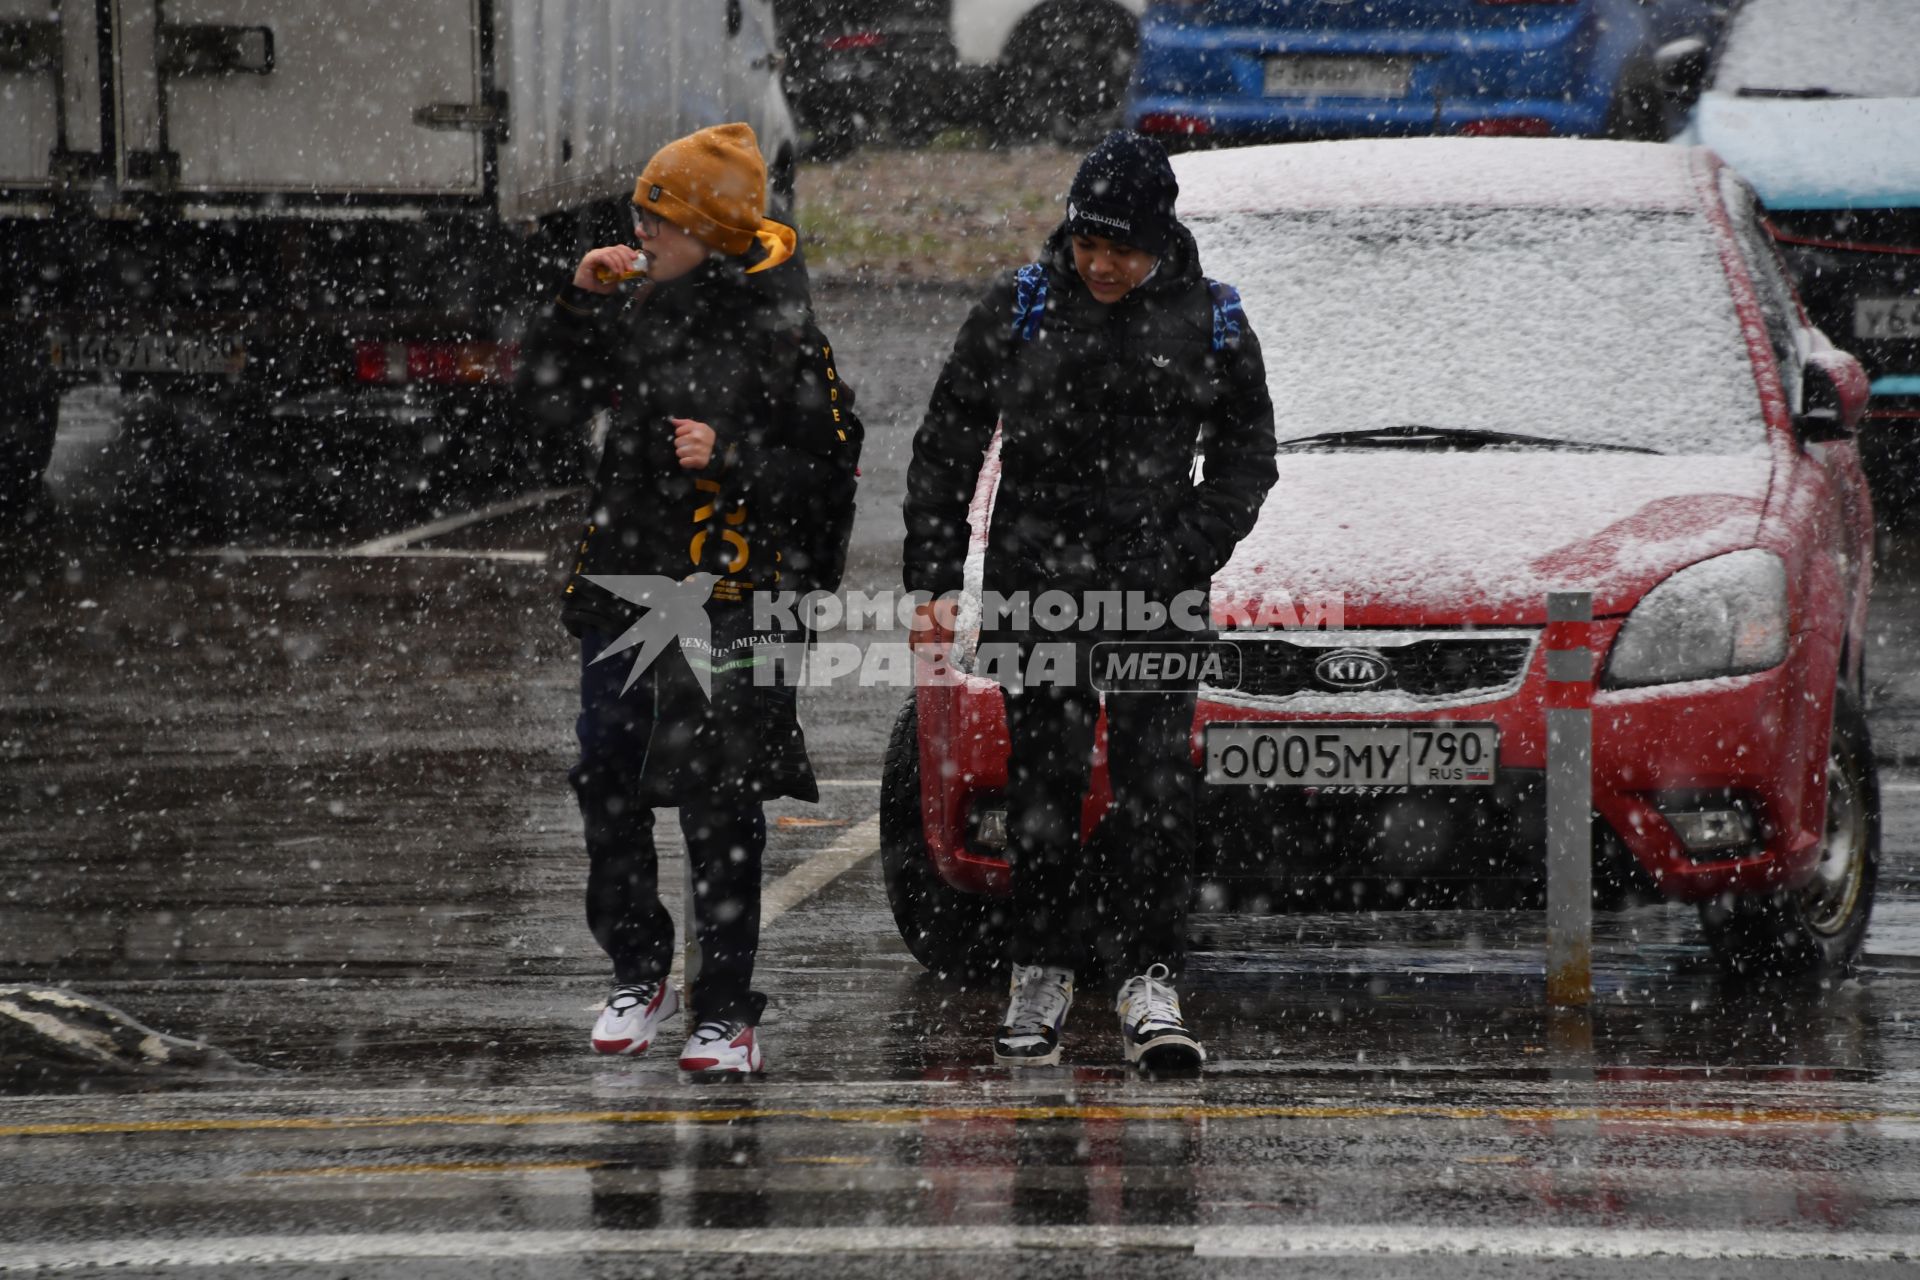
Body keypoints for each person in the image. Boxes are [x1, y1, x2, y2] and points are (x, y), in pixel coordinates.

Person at [902, 131, 1277, 1070]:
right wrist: (936, 580)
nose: (1103, 266)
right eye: (1089, 244)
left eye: (1124, 249)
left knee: (1154, 786)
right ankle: (1040, 972)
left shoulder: (1215, 321)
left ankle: (1149, 978)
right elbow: (946, 445)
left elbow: (1245, 462)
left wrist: (1183, 550)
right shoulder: (1020, 307)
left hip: (1159, 595)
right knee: (1044, 784)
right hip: (1039, 588)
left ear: (1163, 240)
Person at [519, 123, 860, 1076]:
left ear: (710, 233)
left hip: (736, 596)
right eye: (637, 214)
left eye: (656, 219)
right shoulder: (633, 305)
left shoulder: (785, 330)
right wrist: (576, 305)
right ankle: (638, 968)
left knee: (720, 801)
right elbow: (543, 408)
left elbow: (833, 472)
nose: (638, 233)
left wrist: (737, 457)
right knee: (607, 776)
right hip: (624, 584)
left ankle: (725, 1013)